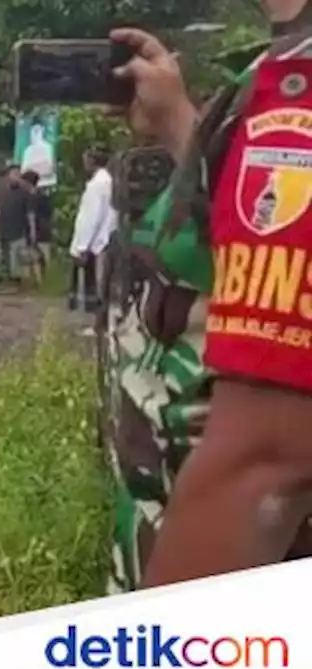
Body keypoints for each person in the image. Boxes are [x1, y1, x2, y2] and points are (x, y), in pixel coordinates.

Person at [103, 0, 312, 592]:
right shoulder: (276, 71)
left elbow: (267, 465)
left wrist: (153, 667)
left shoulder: (302, 84)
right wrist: (182, 128)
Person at [68, 149, 115, 313]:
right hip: (101, 237)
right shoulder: (106, 181)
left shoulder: (98, 184)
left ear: (92, 162)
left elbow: (93, 217)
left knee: (90, 279)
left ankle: (89, 311)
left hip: (95, 240)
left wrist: (83, 246)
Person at [0, 165, 33, 286]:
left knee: (15, 254)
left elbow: (30, 212)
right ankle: (2, 276)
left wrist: (31, 229)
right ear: (8, 175)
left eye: (18, 174)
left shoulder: (25, 192)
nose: (16, 176)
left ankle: (16, 278)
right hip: (1, 226)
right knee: (1, 253)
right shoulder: (1, 189)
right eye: (13, 174)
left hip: (18, 227)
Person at [20, 170, 46, 286]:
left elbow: (31, 215)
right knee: (39, 257)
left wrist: (32, 231)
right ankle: (38, 281)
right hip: (43, 228)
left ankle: (38, 281)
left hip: (36, 229)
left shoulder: (31, 197)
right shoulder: (43, 195)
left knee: (34, 256)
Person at [21, 120, 57, 188]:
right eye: (33, 131)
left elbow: (49, 168)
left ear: (42, 131)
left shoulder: (47, 148)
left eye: (37, 130)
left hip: (47, 182)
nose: (35, 134)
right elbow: (23, 171)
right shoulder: (27, 151)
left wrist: (33, 168)